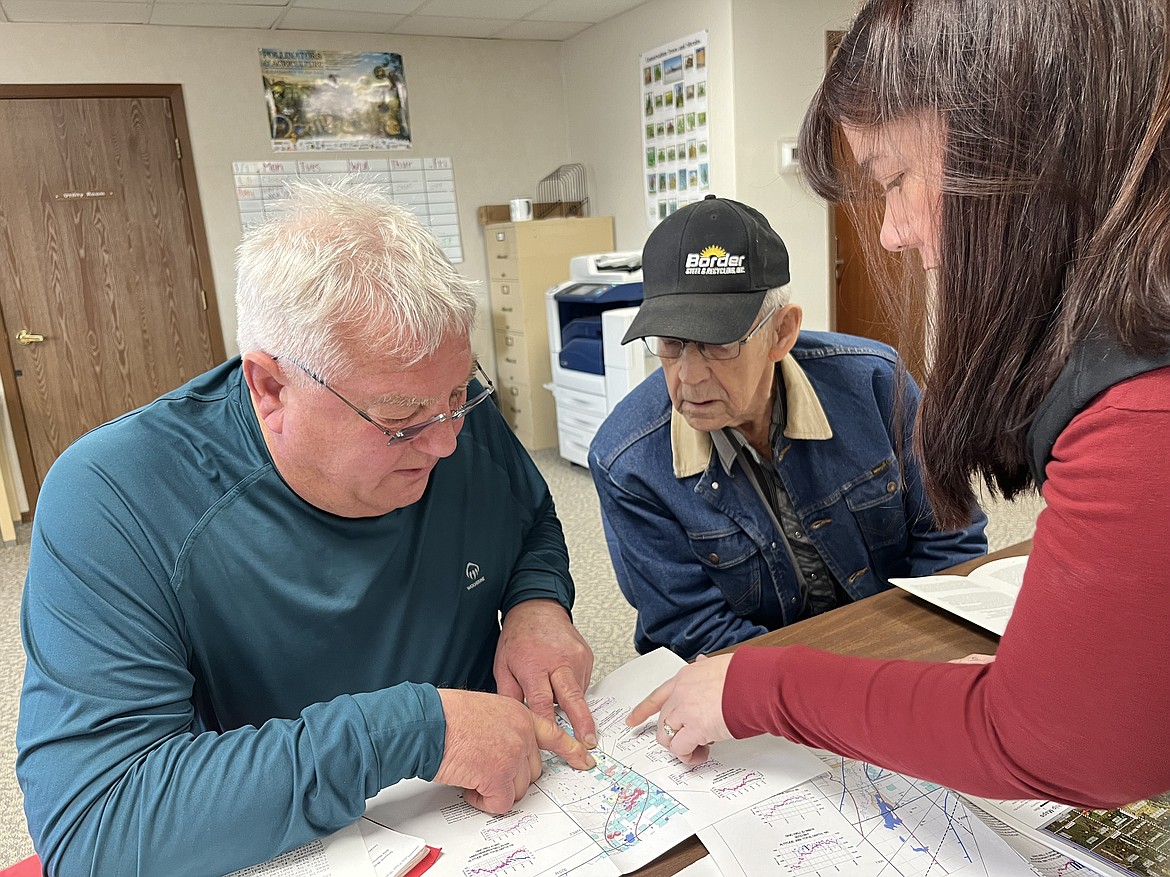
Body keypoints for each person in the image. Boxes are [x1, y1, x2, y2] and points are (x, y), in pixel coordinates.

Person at [628, 0, 1170, 810]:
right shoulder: (627, 455)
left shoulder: (1129, 412)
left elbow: (1054, 742)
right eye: (671, 347)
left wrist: (770, 684)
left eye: (894, 180)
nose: (890, 234)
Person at [16, 183, 597, 876]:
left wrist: (537, 603)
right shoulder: (114, 495)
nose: (445, 444)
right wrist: (416, 728)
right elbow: (93, 830)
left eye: (458, 395)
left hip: (499, 820)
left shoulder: (447, 413)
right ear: (269, 387)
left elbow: (529, 517)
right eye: (400, 420)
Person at [589, 195, 987, 660]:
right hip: (751, 682)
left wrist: (911, 658)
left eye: (718, 344)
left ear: (782, 332)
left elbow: (951, 538)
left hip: (896, 650)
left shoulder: (878, 383)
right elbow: (692, 626)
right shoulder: (627, 461)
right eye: (672, 344)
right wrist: (811, 695)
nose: (689, 376)